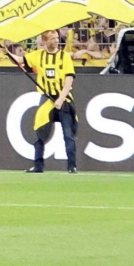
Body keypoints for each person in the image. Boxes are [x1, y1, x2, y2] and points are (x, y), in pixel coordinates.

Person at [25, 41, 78, 174]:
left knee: (68, 134)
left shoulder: (64, 57)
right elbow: (20, 60)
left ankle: (72, 166)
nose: (55, 41)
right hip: (46, 99)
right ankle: (38, 165)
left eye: (56, 37)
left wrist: (60, 99)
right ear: (45, 41)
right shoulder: (38, 55)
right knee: (40, 131)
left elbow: (69, 81)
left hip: (63, 99)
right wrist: (7, 53)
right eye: (52, 38)